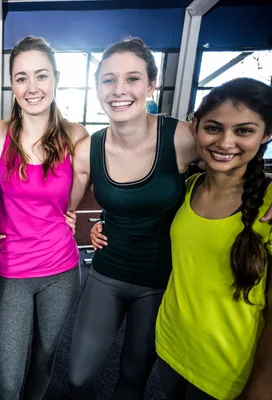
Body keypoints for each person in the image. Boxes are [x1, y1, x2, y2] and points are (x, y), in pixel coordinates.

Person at [73, 38, 272, 400]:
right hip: (108, 269)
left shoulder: (181, 137)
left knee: (134, 374)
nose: (119, 90)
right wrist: (104, 218)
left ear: (151, 84)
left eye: (132, 78)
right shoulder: (90, 147)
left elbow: (236, 158)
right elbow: (112, 198)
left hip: (161, 279)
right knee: (77, 376)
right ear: (96, 87)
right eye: (108, 80)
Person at [0, 36, 86, 400]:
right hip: (12, 271)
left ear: (56, 78)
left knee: (43, 359)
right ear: (12, 83)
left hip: (62, 269)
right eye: (22, 77)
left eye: (41, 76)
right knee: (8, 382)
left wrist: (78, 219)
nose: (32, 87)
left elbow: (84, 196)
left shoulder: (75, 136)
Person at [155, 78, 272, 400]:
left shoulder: (268, 206)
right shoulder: (188, 187)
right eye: (214, 127)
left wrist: (261, 389)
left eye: (244, 131)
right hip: (172, 347)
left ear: (266, 134)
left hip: (227, 372)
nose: (226, 142)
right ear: (195, 127)